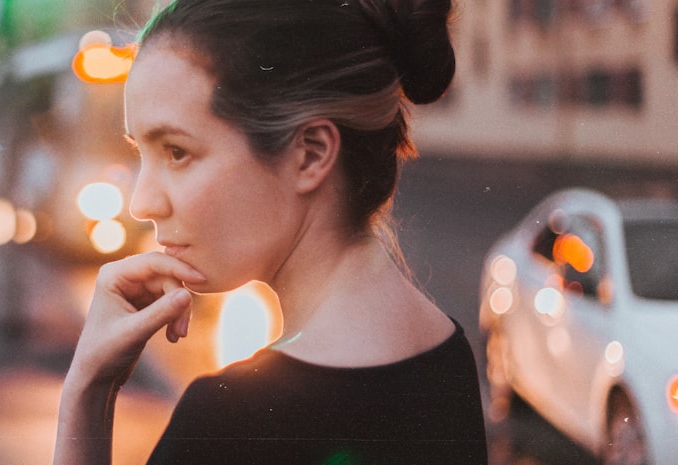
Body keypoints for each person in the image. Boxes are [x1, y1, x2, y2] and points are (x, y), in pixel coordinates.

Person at [54, 0, 488, 463]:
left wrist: (86, 392)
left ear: (311, 154)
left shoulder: (227, 425)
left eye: (176, 151)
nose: (142, 203)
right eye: (141, 153)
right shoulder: (449, 358)